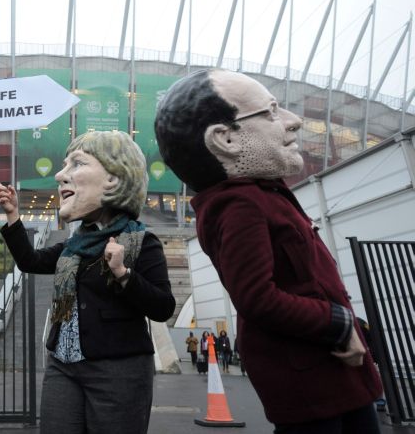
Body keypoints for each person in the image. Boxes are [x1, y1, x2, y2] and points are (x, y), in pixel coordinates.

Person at [155, 68, 383, 433]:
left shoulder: (265, 194)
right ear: (225, 139)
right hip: (310, 384)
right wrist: (339, 324)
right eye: (272, 112)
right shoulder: (238, 206)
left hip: (338, 375)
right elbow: (257, 297)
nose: (292, 122)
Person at [0, 130, 176, 434]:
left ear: (113, 179)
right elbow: (30, 261)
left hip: (119, 370)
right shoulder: (74, 244)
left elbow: (163, 307)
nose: (60, 175)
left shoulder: (142, 241)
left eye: (77, 164)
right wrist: (13, 216)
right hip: (63, 365)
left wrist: (123, 274)